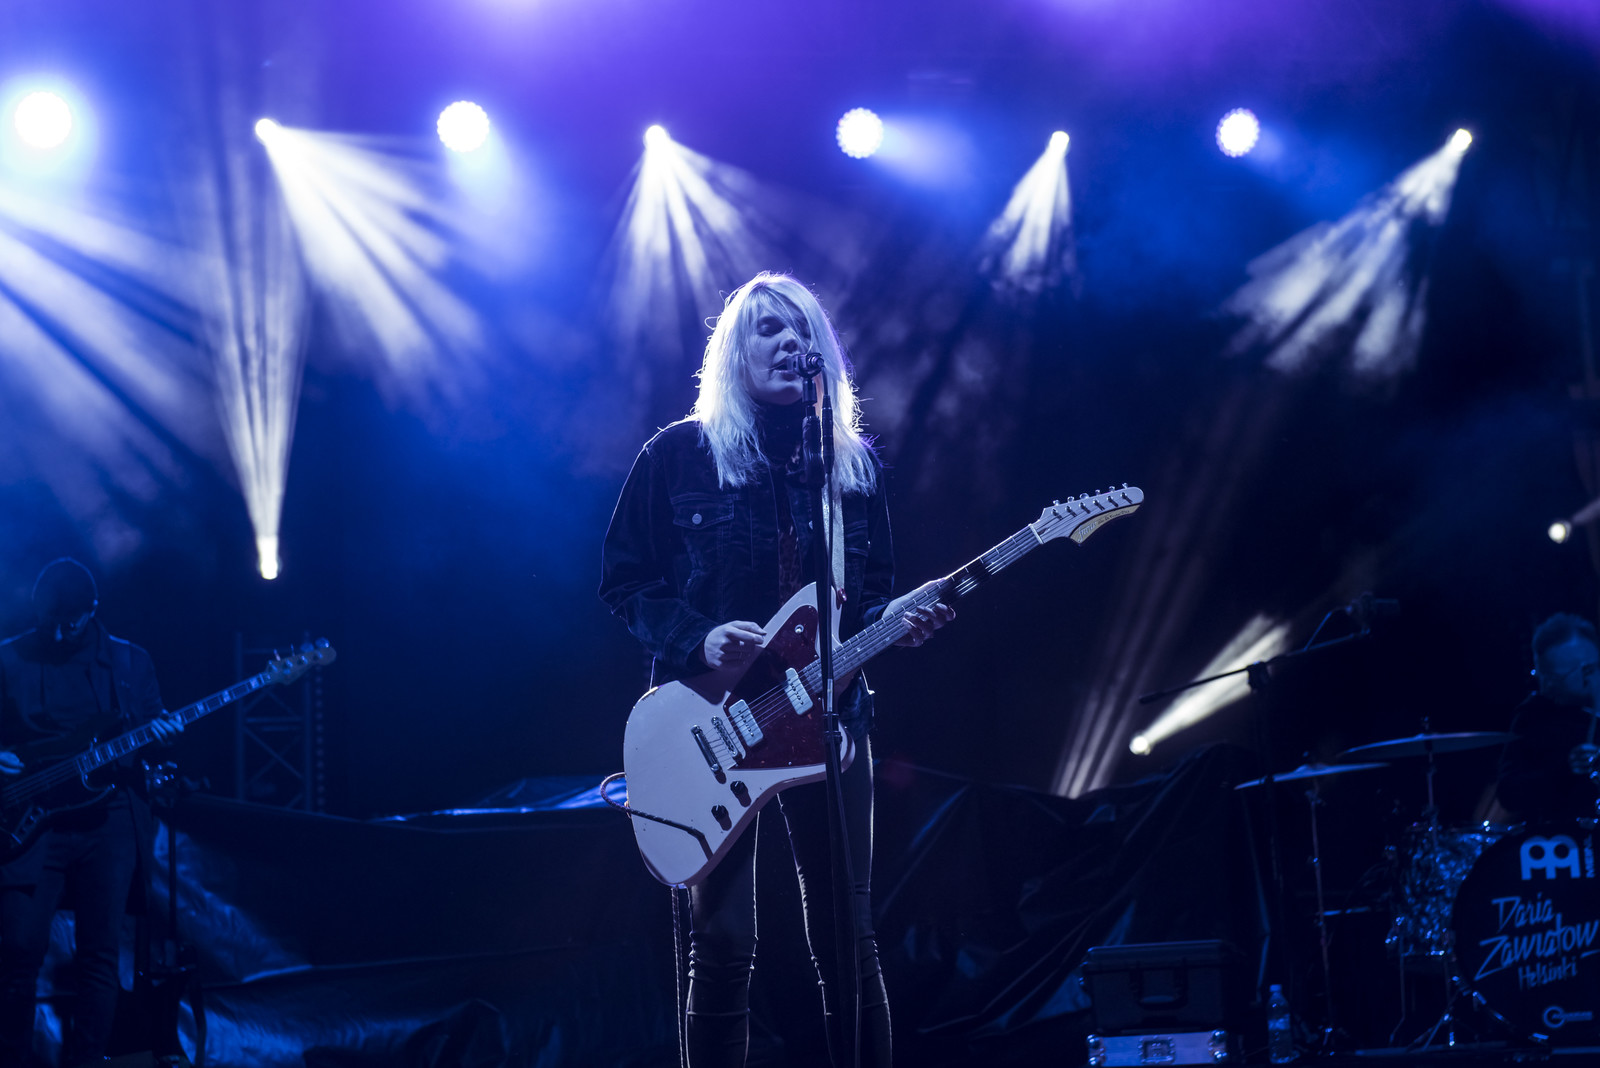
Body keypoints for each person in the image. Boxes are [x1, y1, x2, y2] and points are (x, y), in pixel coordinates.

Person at [600, 272, 953, 1068]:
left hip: (828, 720)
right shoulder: (677, 456)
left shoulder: (848, 468)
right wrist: (698, 639)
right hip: (710, 725)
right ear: (736, 351)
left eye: (803, 329)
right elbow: (624, 581)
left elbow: (868, 600)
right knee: (724, 943)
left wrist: (899, 624)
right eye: (769, 329)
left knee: (849, 938)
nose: (791, 341)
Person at [0, 558, 182, 1066]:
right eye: (49, 623)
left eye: (70, 624)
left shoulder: (129, 662)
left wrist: (162, 736)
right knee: (17, 950)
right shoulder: (8, 658)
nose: (58, 634)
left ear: (92, 610)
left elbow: (152, 731)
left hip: (110, 821)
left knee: (99, 955)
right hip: (29, 823)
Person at [1497, 612, 1600, 823]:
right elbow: (1509, 793)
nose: (1546, 687)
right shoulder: (1533, 716)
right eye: (1542, 676)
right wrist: (1565, 769)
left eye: (1554, 678)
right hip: (1569, 838)